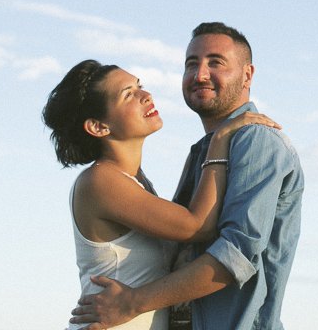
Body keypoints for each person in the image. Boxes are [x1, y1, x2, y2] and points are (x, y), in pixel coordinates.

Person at [71, 22, 304, 330]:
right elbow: (189, 235)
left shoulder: (254, 140)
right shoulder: (203, 153)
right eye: (191, 64)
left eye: (215, 62)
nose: (200, 74)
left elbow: (235, 256)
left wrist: (133, 301)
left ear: (247, 74)